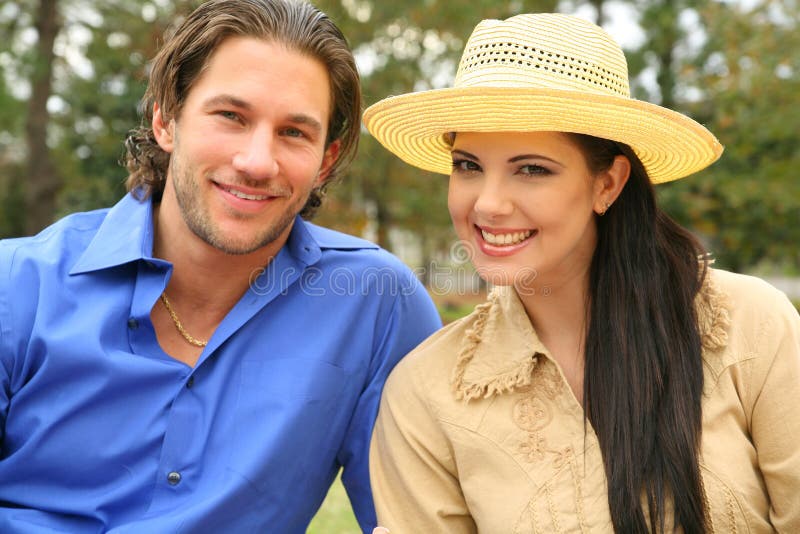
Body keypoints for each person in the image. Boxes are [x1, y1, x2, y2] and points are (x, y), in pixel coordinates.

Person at [0, 0, 441, 532]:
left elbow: (412, 519)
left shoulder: (376, 305)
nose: (257, 162)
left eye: (295, 132)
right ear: (166, 119)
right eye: (231, 116)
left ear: (326, 160)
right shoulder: (18, 286)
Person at [364, 13, 800, 533]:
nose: (488, 203)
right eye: (468, 166)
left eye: (531, 169)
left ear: (608, 184)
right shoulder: (426, 394)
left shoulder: (751, 328)